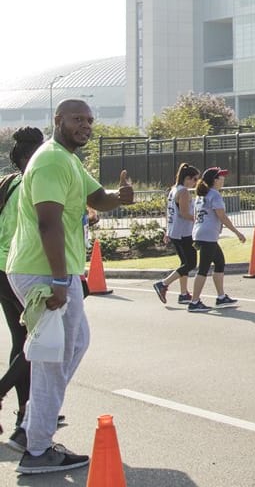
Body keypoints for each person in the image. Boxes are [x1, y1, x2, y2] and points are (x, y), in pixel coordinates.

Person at [6, 100, 133, 474]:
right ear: (57, 120)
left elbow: (97, 199)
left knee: (72, 345)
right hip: (44, 271)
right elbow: (49, 223)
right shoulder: (50, 159)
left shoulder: (69, 160)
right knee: (53, 359)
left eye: (90, 120)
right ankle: (38, 448)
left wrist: (118, 198)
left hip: (50, 271)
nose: (86, 125)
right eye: (78, 119)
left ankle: (32, 431)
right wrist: (61, 281)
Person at [0, 127, 43, 449]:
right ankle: (7, 398)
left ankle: (24, 416)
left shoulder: (8, 182)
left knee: (23, 341)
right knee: (38, 342)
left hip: (2, 269)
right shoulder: (33, 184)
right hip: (19, 269)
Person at [188, 167, 246, 313]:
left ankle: (221, 297)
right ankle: (194, 302)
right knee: (203, 269)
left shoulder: (202, 195)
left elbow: (199, 215)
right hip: (207, 235)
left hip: (201, 233)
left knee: (219, 262)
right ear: (214, 180)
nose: (223, 179)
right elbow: (222, 216)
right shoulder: (214, 194)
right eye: (220, 177)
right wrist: (237, 232)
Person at [152, 163, 200, 304]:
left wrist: (168, 230)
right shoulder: (184, 192)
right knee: (191, 263)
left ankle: (183, 293)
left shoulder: (173, 190)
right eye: (194, 179)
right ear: (187, 178)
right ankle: (164, 283)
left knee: (184, 263)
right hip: (184, 232)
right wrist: (198, 219)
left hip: (175, 231)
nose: (196, 182)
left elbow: (169, 212)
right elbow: (184, 213)